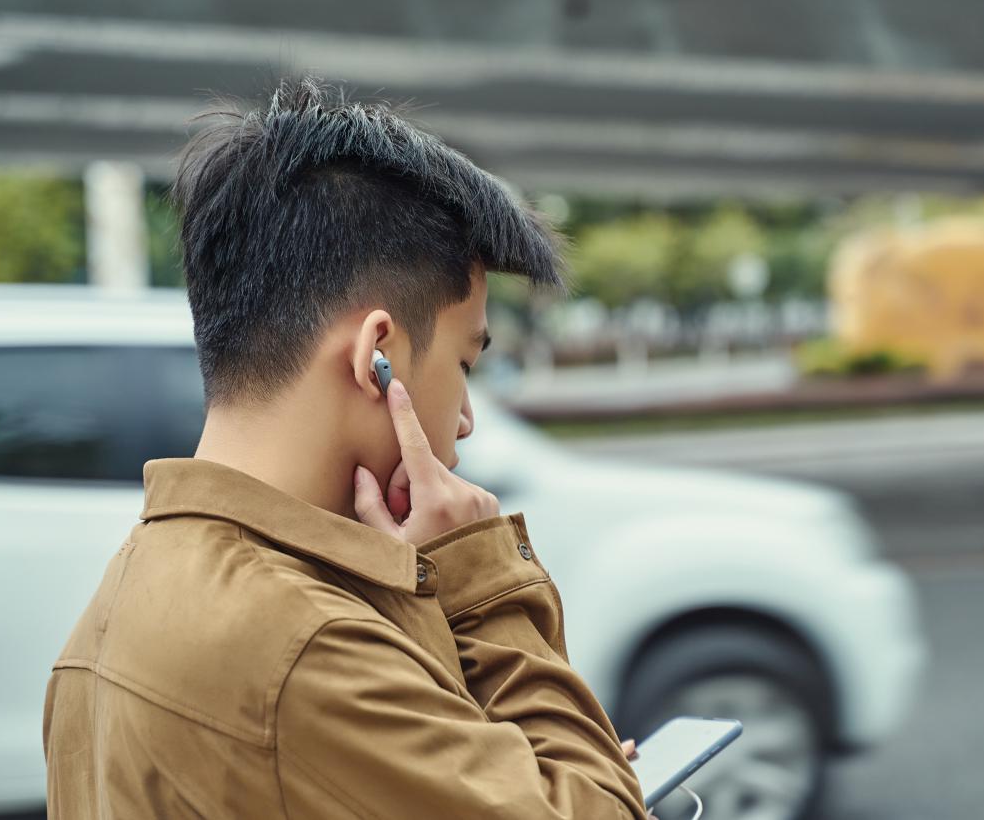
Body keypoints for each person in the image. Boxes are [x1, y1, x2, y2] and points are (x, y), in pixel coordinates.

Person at [42, 75, 653, 819]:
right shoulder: (302, 647)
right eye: (464, 364)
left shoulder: (111, 610)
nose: (463, 419)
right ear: (377, 358)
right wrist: (480, 582)